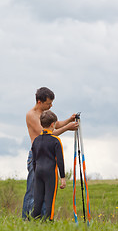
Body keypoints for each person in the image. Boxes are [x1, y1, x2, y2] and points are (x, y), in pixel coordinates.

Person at [22, 87, 78, 220]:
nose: (51, 105)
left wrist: (69, 120)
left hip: (47, 156)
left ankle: (41, 220)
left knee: (45, 191)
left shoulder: (46, 112)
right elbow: (47, 133)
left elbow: (56, 124)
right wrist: (67, 128)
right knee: (32, 190)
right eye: (48, 103)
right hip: (36, 156)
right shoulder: (31, 115)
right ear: (40, 102)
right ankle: (26, 219)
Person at [31, 110, 66, 221]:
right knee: (49, 199)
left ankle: (34, 221)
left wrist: (36, 172)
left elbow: (34, 160)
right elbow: (60, 160)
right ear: (52, 124)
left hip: (38, 172)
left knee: (38, 199)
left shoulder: (35, 140)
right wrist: (63, 178)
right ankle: (49, 221)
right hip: (50, 173)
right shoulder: (56, 140)